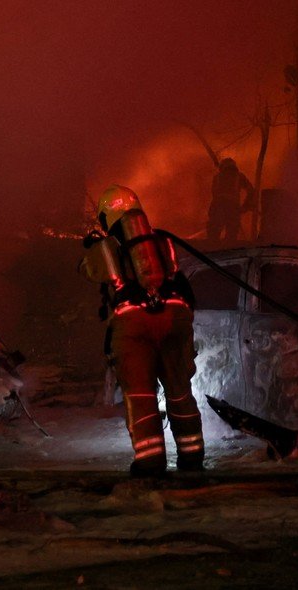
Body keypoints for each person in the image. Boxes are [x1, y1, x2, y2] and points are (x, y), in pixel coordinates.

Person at [80, 185, 204, 477]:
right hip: (175, 314)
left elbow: (89, 270)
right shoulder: (161, 240)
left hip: (135, 322)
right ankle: (193, 456)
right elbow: (180, 280)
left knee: (141, 396)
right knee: (180, 392)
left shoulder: (108, 246)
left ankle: (150, 462)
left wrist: (91, 248)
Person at [206, 158, 252, 242]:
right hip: (230, 207)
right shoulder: (238, 176)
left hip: (220, 206)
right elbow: (251, 191)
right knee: (229, 235)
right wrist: (246, 206)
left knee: (214, 235)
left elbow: (214, 194)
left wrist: (246, 206)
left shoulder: (218, 177)